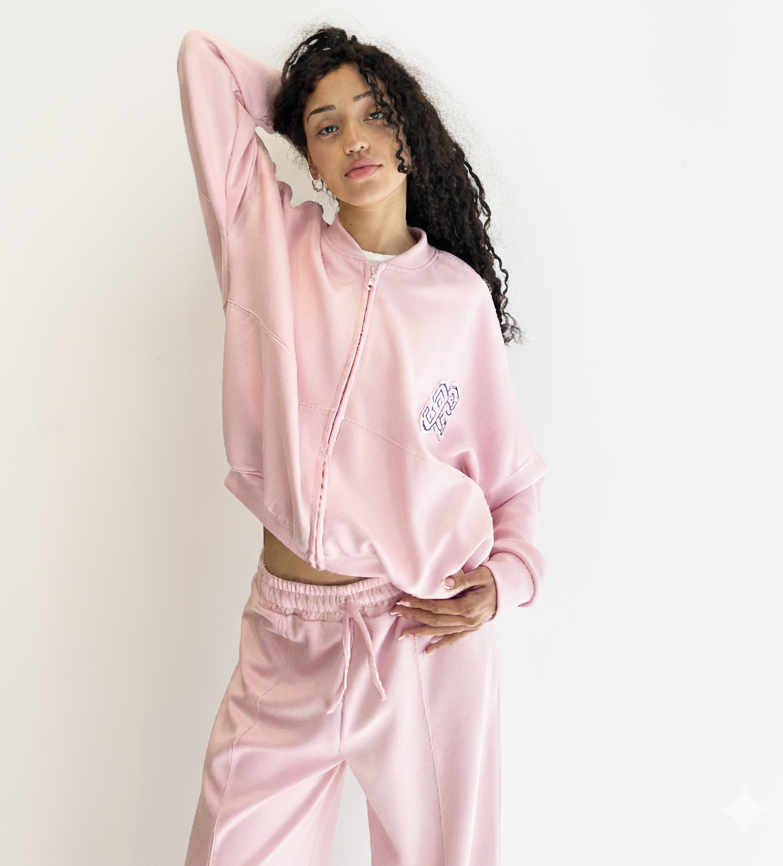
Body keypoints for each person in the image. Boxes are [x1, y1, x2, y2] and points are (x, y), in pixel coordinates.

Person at [176, 25, 548, 866]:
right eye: (328, 127)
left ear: (411, 129)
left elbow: (513, 482)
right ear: (306, 153)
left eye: (377, 114)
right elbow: (202, 61)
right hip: (285, 640)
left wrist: (505, 582)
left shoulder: (456, 302)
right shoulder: (266, 245)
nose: (356, 140)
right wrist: (302, 97)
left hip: (419, 631)